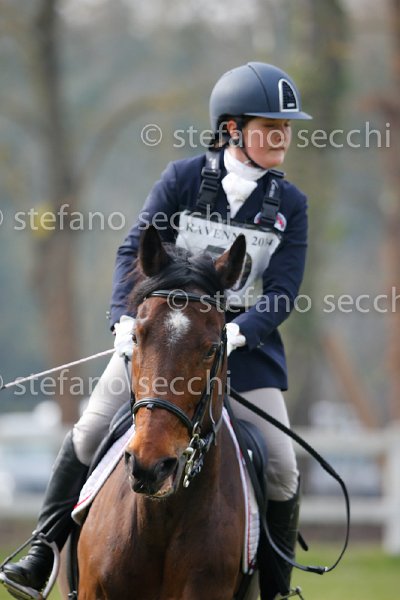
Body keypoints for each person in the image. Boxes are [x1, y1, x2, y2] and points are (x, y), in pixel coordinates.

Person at [1, 62, 311, 600]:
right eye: (271, 127)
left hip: (242, 349)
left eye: (286, 127)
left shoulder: (292, 206)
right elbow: (133, 251)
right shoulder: (182, 179)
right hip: (162, 342)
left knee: (283, 466)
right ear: (233, 129)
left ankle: (277, 591)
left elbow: (282, 292)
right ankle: (42, 550)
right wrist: (124, 319)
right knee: (90, 430)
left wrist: (239, 333)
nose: (283, 136)